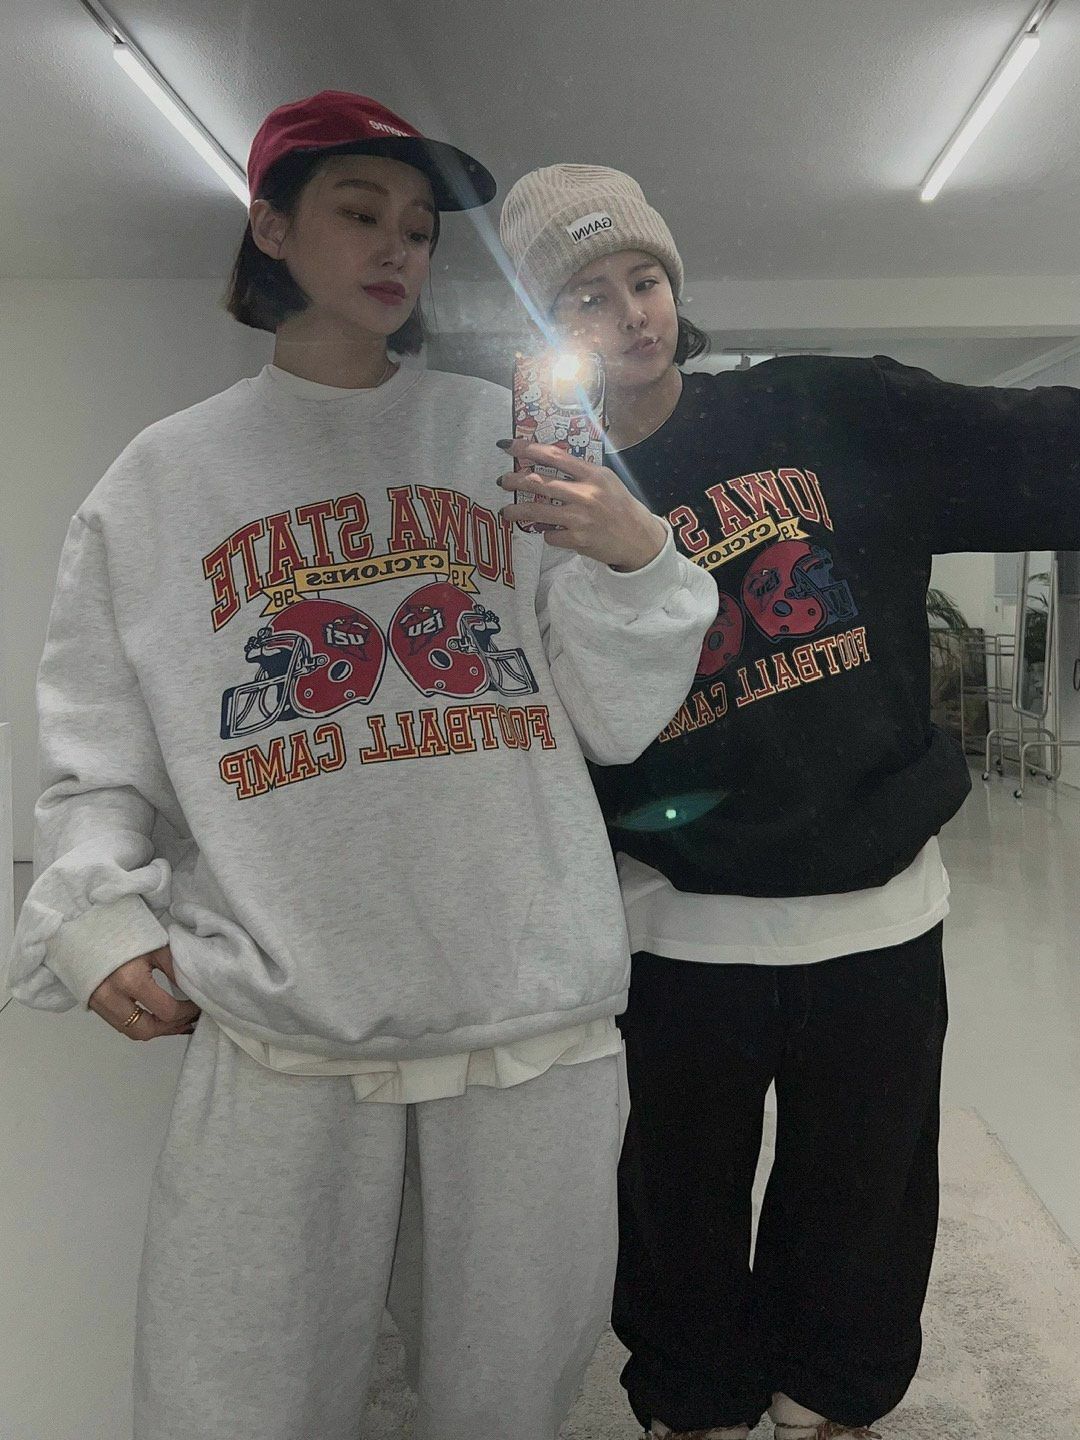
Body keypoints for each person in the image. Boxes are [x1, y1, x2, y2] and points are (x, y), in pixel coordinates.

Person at [5, 99, 718, 1440]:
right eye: (359, 210)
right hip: (286, 1027)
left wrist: (637, 561)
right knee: (237, 1391)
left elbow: (614, 719)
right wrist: (95, 922)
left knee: (509, 1395)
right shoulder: (157, 484)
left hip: (524, 1017)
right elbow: (100, 756)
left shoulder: (507, 440)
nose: (399, 247)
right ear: (272, 228)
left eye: (419, 227)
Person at [498, 162, 1080, 1440]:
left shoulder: (823, 407)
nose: (631, 314)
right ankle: (693, 1403)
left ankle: (834, 1399)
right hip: (678, 921)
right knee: (678, 1198)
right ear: (544, 327)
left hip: (878, 902)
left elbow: (1032, 443)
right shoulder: (536, 495)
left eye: (644, 279)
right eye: (586, 297)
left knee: (866, 1188)